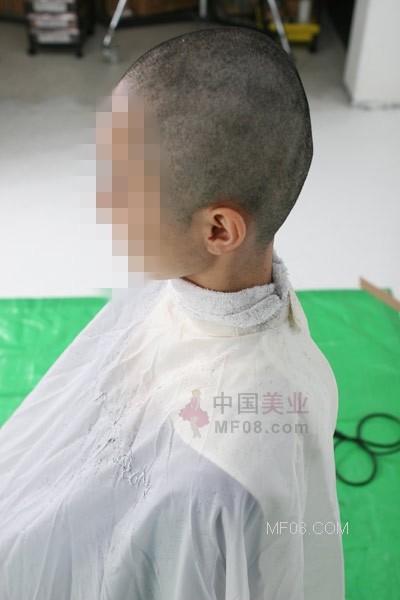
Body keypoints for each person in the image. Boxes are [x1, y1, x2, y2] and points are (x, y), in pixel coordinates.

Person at [0, 26, 345, 600]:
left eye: (122, 191)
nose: (102, 205)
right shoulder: (168, 285)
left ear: (219, 230)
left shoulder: (235, 475)